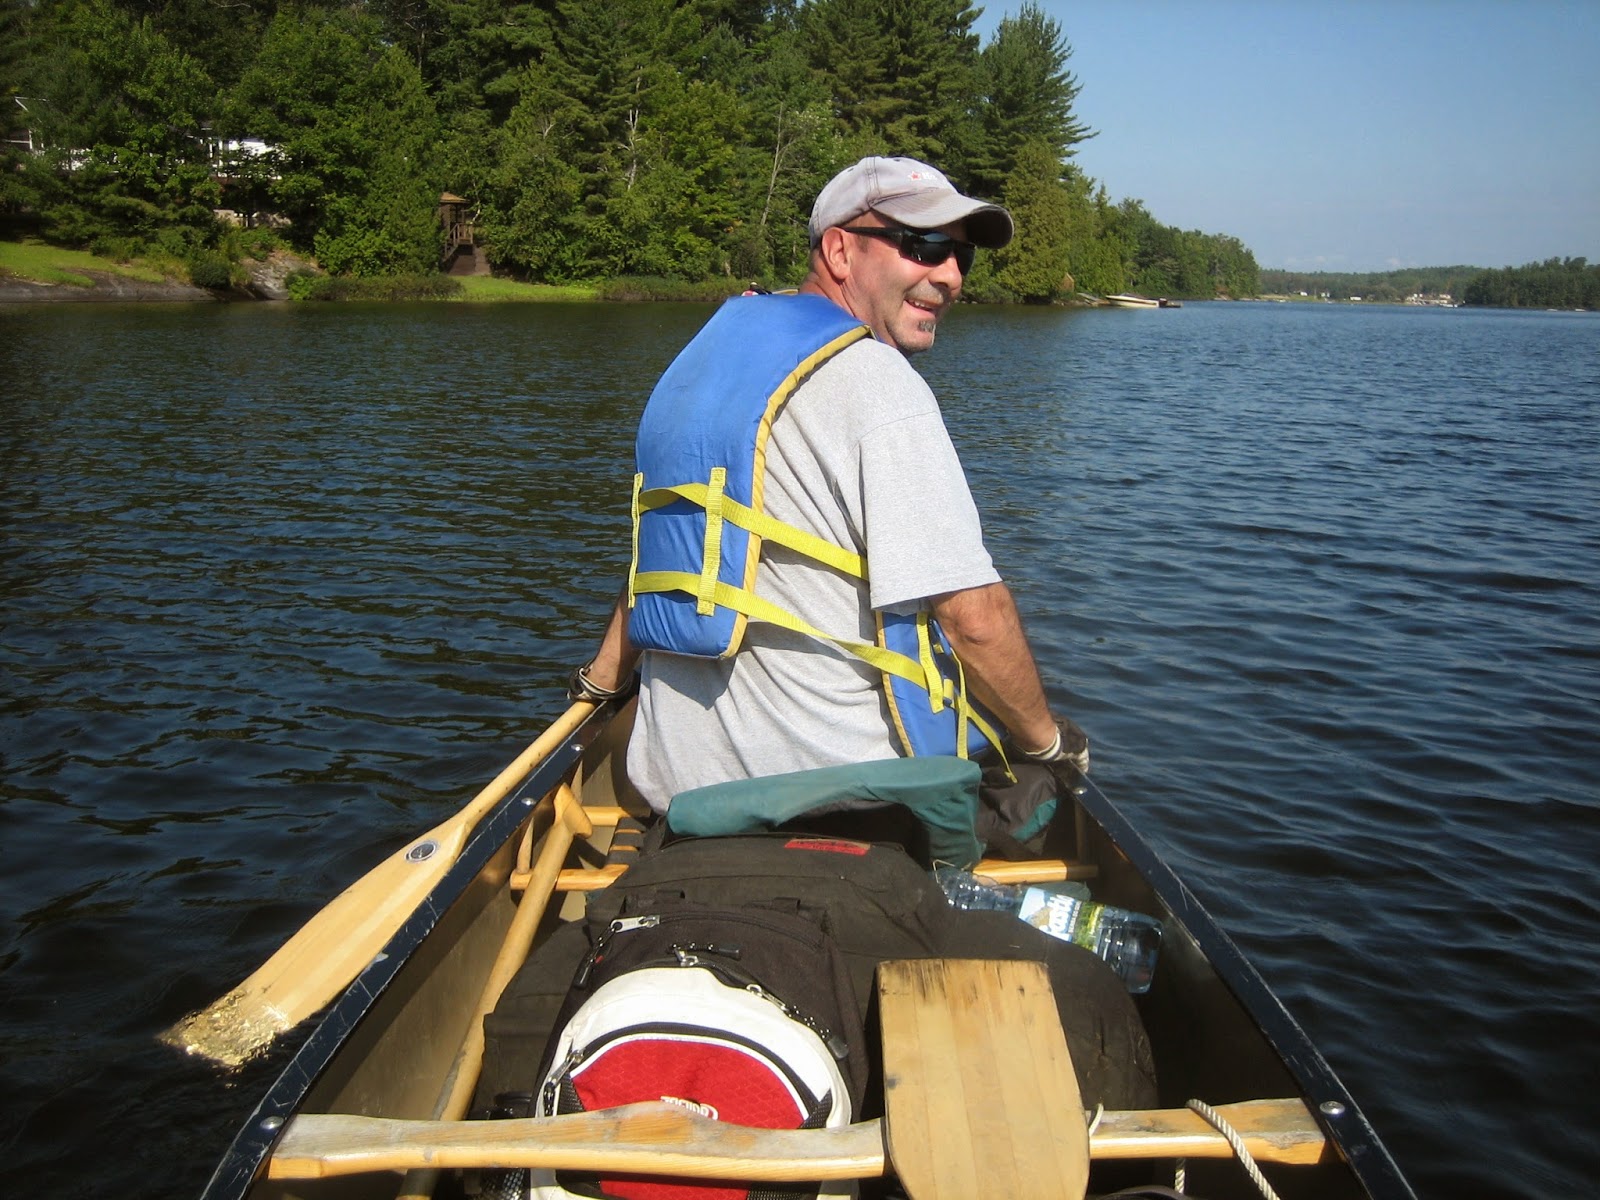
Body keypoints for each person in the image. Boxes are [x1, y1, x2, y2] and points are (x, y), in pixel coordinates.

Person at [572, 155, 1087, 813]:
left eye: (963, 258)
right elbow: (974, 619)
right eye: (924, 246)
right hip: (837, 801)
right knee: (1027, 790)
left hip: (677, 794)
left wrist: (598, 685)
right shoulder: (879, 384)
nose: (952, 276)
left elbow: (665, 560)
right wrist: (1048, 743)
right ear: (841, 250)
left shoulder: (697, 366)